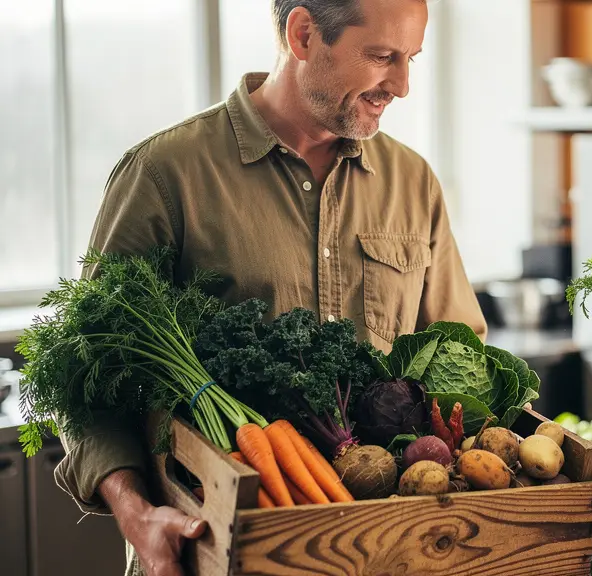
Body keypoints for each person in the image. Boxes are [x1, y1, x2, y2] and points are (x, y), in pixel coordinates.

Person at [53, 1, 484, 575]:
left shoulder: (412, 180)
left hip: (387, 549)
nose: (401, 86)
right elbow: (87, 381)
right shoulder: (165, 175)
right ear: (304, 34)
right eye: (382, 57)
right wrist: (134, 513)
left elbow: (461, 350)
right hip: (212, 547)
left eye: (410, 59)